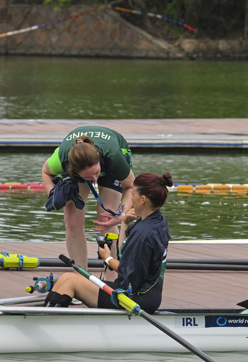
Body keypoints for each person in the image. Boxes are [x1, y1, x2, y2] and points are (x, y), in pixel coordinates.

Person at [43, 172, 173, 314]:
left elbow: (127, 273)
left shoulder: (144, 234)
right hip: (145, 293)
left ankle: (45, 321)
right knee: (66, 278)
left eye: (133, 193)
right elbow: (126, 258)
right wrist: (124, 224)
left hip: (135, 298)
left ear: (142, 199)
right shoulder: (157, 221)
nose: (130, 197)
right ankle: (44, 316)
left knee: (70, 282)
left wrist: (108, 258)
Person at [41, 126, 135, 267]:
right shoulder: (62, 159)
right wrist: (53, 194)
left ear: (98, 156)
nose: (94, 179)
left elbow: (131, 187)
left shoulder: (114, 158)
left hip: (111, 161)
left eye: (96, 173)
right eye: (88, 176)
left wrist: (121, 214)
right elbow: (46, 172)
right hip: (83, 165)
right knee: (72, 219)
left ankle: (114, 276)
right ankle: (81, 275)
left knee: (107, 216)